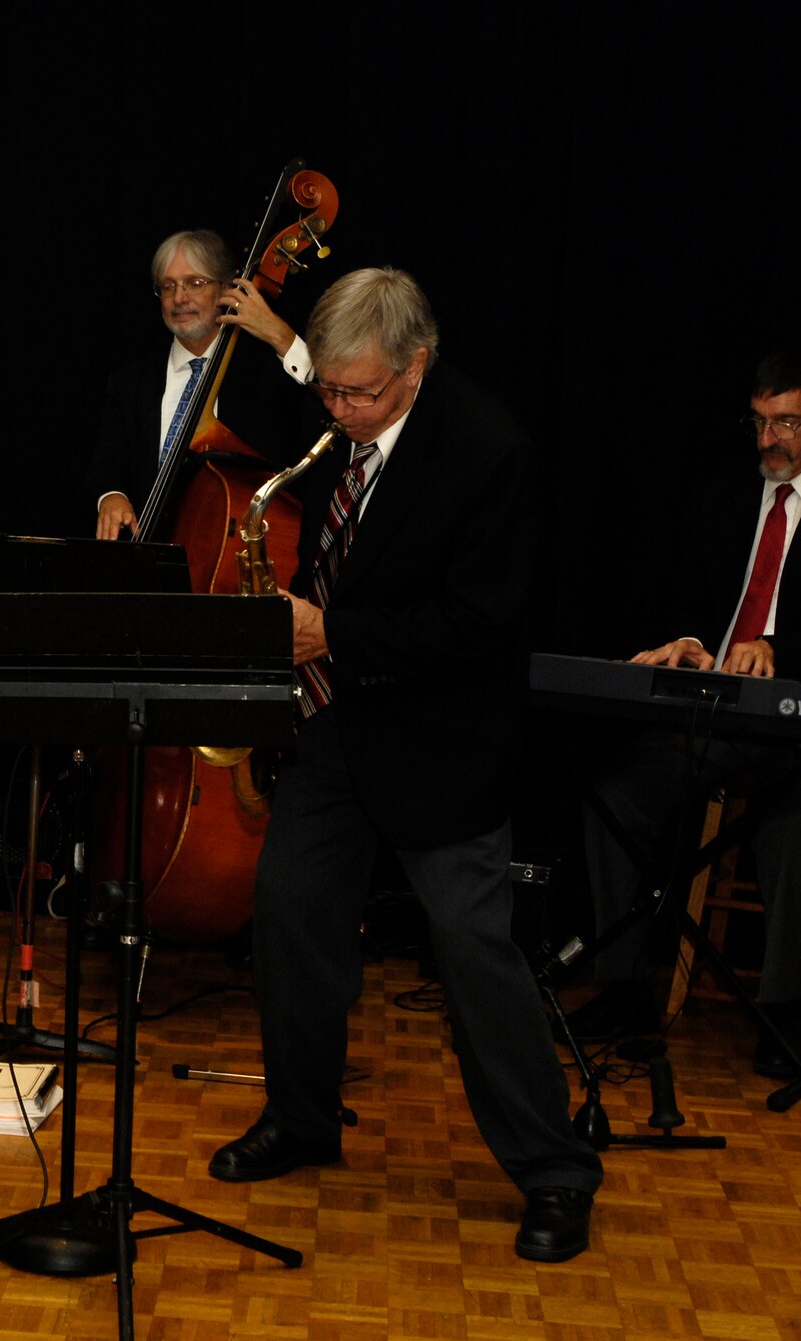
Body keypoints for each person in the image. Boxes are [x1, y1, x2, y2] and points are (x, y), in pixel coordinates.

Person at [206, 268, 604, 1263]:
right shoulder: (340, 425)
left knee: (475, 957)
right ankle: (301, 1121)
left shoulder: (486, 452)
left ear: (416, 364)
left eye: (360, 395)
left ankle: (553, 1171)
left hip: (440, 742)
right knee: (289, 915)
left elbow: (477, 624)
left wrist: (327, 630)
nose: (339, 411)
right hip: (338, 725)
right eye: (330, 391)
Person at [572, 350, 801, 1074]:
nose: (770, 440)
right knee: (614, 798)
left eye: (787, 422)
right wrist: (690, 642)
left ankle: (781, 1008)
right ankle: (624, 986)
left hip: (799, 722)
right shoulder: (719, 498)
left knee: (797, 819)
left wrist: (776, 649)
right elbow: (683, 596)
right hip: (709, 712)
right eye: (759, 422)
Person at [86, 228, 313, 539]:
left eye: (195, 283)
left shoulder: (267, 371)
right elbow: (106, 470)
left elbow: (330, 400)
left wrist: (279, 335)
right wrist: (112, 496)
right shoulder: (130, 383)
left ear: (224, 290)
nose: (180, 298)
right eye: (168, 286)